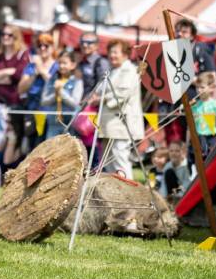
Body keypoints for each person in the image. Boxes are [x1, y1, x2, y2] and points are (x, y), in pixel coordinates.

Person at [95, 39, 144, 178]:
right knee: (108, 162)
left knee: (120, 160)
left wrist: (101, 99)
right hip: (108, 124)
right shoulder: (112, 71)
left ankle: (127, 194)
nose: (112, 55)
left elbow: (122, 94)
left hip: (121, 123)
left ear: (125, 54)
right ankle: (113, 194)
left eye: (115, 52)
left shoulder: (130, 70)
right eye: (110, 52)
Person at [0, 24, 29, 157]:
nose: (5, 37)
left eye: (9, 35)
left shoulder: (22, 54)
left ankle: (10, 168)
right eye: (3, 34)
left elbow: (17, 76)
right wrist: (7, 72)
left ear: (16, 37)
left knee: (13, 138)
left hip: (15, 102)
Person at [18, 32, 58, 148]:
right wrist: (34, 74)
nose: (42, 48)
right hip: (32, 110)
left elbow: (55, 86)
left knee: (47, 147)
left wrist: (42, 70)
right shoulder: (31, 67)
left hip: (50, 112)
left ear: (52, 47)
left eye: (46, 45)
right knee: (32, 146)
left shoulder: (57, 66)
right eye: (39, 45)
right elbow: (21, 89)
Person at [40, 49, 83, 140]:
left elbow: (75, 104)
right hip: (53, 124)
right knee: (51, 152)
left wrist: (61, 92)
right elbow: (43, 101)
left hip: (69, 125)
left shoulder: (77, 81)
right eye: (59, 63)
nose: (61, 66)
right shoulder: (52, 80)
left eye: (65, 63)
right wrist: (55, 94)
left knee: (67, 153)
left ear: (73, 65)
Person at [191, 71, 216, 156]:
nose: (199, 90)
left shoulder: (215, 105)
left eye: (202, 87)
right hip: (199, 138)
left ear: (211, 88)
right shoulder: (195, 106)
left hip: (212, 137)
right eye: (197, 87)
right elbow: (192, 124)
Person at [78, 32, 110, 97]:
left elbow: (104, 86)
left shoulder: (101, 63)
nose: (84, 45)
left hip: (92, 104)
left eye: (89, 42)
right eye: (82, 42)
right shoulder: (81, 62)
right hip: (80, 103)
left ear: (97, 45)